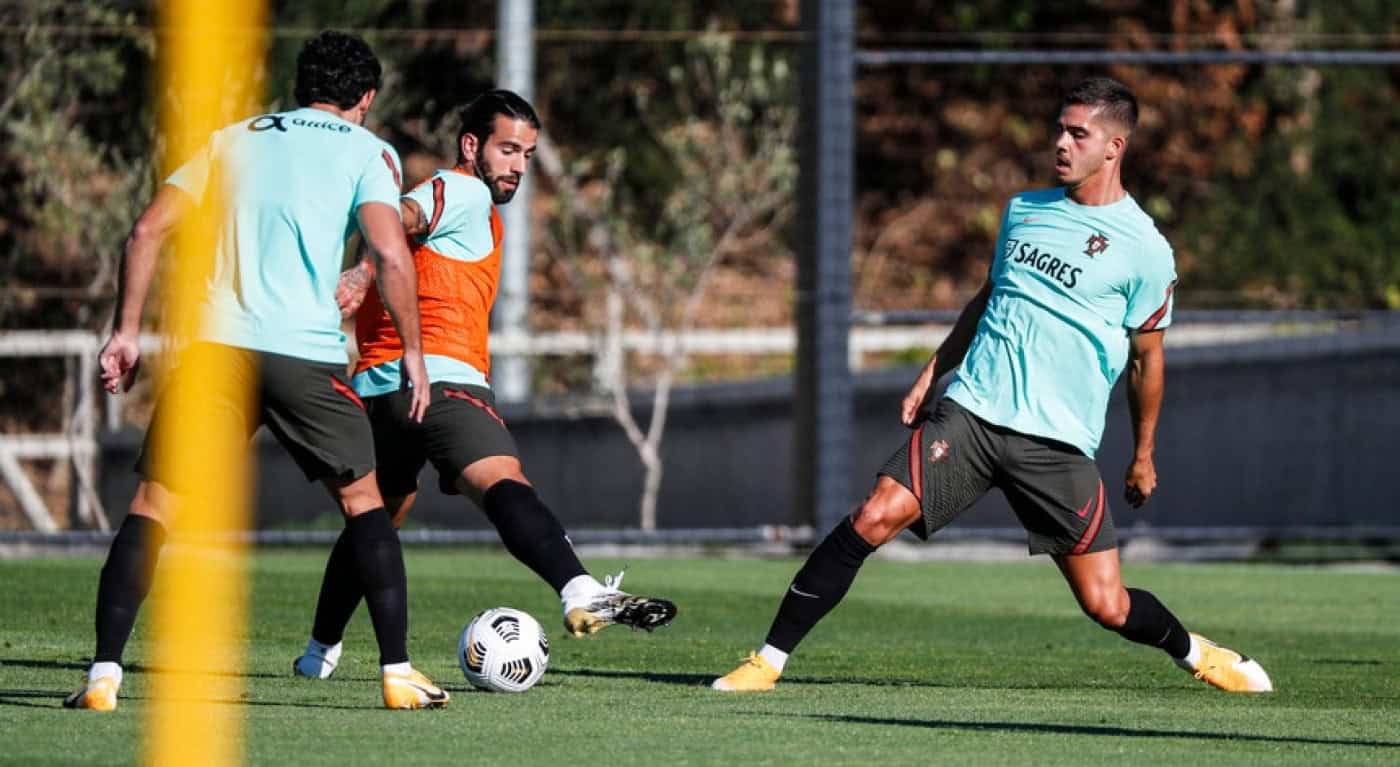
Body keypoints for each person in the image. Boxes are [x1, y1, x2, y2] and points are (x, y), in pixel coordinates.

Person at [712, 77, 1272, 694]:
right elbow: (988, 298)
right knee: (874, 516)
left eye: (1077, 133)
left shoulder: (1145, 250)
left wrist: (1143, 454)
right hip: (973, 414)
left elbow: (1147, 360)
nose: (1060, 142)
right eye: (1060, 128)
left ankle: (1197, 652)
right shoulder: (1024, 211)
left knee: (1106, 604)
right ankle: (767, 661)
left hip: (1056, 445)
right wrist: (935, 369)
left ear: (1114, 147)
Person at [66, 30, 450, 711]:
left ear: (301, 86)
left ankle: (102, 674)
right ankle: (397, 671)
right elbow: (391, 254)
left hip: (216, 350)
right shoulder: (368, 150)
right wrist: (413, 352)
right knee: (366, 504)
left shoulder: (233, 138)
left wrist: (125, 332)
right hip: (305, 353)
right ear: (365, 97)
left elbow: (148, 231)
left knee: (153, 509)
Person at [291, 89, 676, 680]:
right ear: (472, 146)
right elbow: (401, 221)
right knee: (502, 483)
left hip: (377, 392)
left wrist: (361, 271)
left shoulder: (442, 201)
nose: (518, 165)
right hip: (443, 382)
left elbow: (387, 227)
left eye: (527, 153)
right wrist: (368, 269)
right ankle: (578, 588)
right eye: (507, 149)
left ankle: (319, 653)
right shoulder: (463, 190)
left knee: (374, 519)